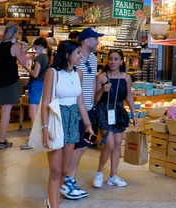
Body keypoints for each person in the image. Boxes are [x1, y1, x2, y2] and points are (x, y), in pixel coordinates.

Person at [41, 40, 95, 208]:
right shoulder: (53, 73)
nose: (81, 55)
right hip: (56, 120)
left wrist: (88, 125)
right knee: (56, 170)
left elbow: (80, 103)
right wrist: (45, 128)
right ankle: (53, 204)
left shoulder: (79, 73)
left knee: (65, 170)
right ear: (67, 55)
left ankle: (52, 199)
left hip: (73, 121)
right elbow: (44, 103)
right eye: (78, 53)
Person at [61, 27, 102, 199]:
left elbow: (92, 82)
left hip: (88, 109)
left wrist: (92, 102)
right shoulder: (71, 62)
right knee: (72, 146)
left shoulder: (93, 59)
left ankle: (69, 179)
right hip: (73, 109)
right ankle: (66, 180)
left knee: (84, 145)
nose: (98, 42)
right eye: (95, 39)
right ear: (86, 41)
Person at [0, 24, 33, 150]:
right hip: (10, 82)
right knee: (6, 111)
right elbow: (24, 63)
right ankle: (2, 141)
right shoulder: (14, 46)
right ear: (14, 34)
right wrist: (22, 49)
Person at [91, 50, 137, 188]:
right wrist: (102, 90)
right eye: (110, 59)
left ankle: (113, 176)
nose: (113, 62)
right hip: (103, 111)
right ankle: (99, 173)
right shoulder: (101, 77)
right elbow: (95, 99)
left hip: (118, 112)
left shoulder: (126, 78)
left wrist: (134, 115)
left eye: (116, 59)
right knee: (109, 144)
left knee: (117, 145)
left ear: (122, 61)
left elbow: (128, 96)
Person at [21, 37, 51, 150]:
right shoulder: (48, 57)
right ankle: (39, 137)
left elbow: (35, 74)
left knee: (33, 114)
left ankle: (33, 139)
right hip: (44, 86)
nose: (35, 49)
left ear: (39, 46)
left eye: (35, 47)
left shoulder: (40, 58)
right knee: (40, 113)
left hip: (36, 86)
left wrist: (26, 67)